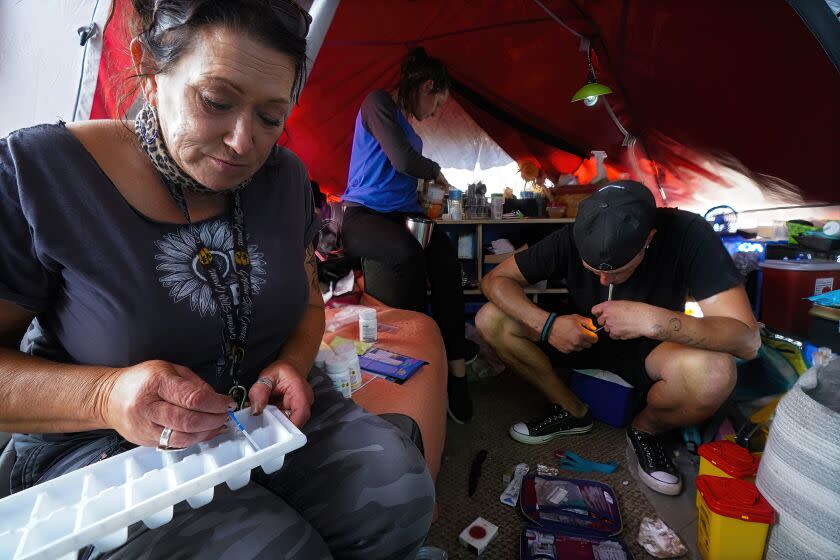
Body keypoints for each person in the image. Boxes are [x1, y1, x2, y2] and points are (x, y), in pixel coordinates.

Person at [0, 1, 433, 558]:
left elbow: (306, 305)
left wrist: (292, 364)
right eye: (215, 102)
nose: (242, 142)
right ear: (150, 71)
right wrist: (107, 396)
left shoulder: (285, 178)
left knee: (399, 496)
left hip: (262, 416)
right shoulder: (43, 175)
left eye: (270, 117)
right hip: (105, 442)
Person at [476, 180, 760, 496]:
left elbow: (747, 340)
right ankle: (571, 410)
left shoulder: (688, 233)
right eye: (592, 269)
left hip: (654, 348)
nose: (603, 279)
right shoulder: (575, 234)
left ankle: (645, 431)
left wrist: (654, 321)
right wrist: (547, 325)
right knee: (491, 319)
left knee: (715, 374)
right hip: (582, 335)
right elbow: (494, 280)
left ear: (648, 239)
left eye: (616, 272)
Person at [340, 47, 475, 424]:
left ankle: (456, 374)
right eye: (437, 103)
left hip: (404, 212)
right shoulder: (377, 103)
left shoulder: (406, 124)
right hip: (365, 215)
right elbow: (402, 160)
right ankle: (417, 370)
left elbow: (400, 171)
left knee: (447, 263)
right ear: (427, 85)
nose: (435, 113)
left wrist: (425, 195)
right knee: (406, 256)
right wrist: (435, 172)